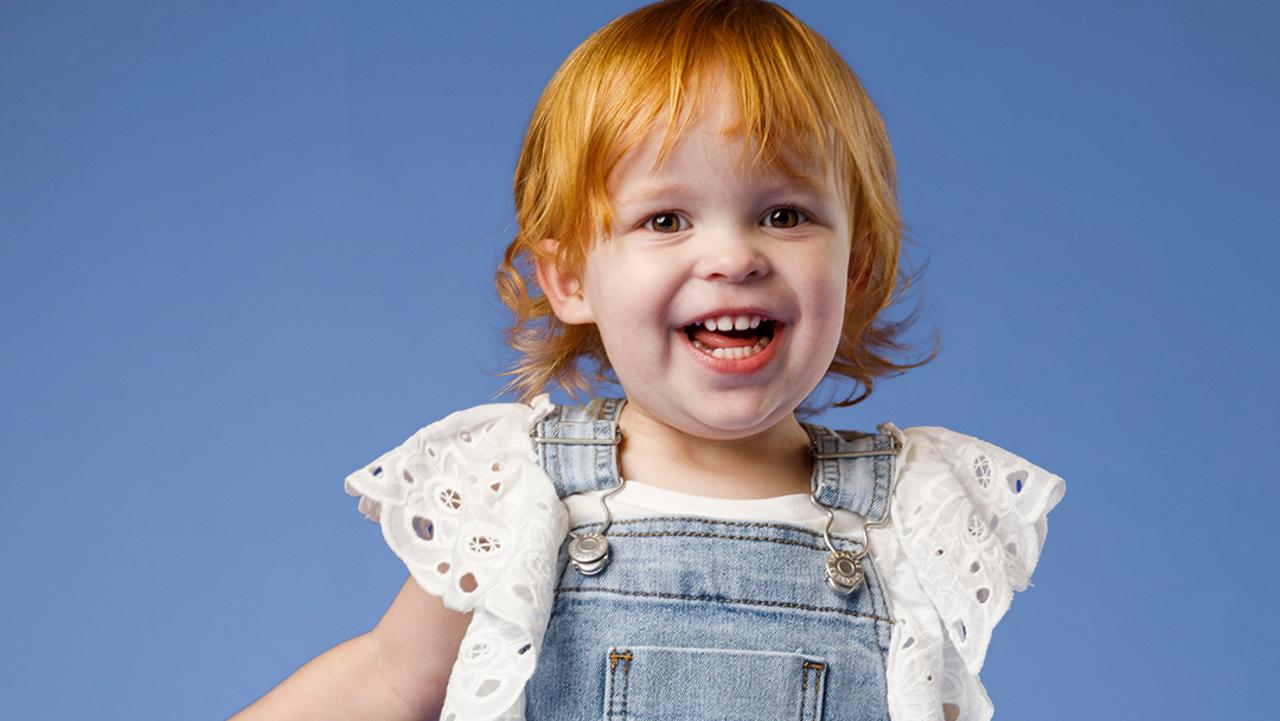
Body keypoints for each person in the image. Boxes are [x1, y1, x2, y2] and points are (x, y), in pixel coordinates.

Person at [230, 1, 1065, 720]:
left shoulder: (908, 519)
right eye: (666, 220)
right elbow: (385, 682)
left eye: (783, 214)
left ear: (855, 264)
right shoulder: (523, 495)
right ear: (566, 276)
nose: (733, 257)